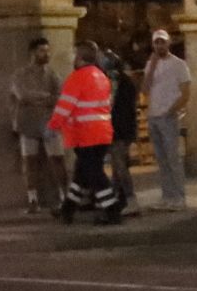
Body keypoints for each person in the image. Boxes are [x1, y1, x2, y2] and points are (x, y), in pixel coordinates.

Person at [51, 39, 121, 225]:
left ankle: (112, 209)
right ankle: (68, 208)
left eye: (74, 55)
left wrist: (52, 125)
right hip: (103, 132)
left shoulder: (77, 78)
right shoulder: (101, 76)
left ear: (80, 57)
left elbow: (65, 107)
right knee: (82, 174)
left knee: (94, 174)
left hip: (85, 135)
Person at [9, 36, 63, 211]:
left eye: (47, 51)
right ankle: (32, 199)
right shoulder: (20, 74)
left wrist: (37, 98)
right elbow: (22, 95)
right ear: (32, 53)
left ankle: (64, 196)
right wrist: (45, 97)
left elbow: (59, 97)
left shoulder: (53, 74)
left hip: (50, 122)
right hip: (28, 122)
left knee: (57, 160)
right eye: (42, 51)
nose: (46, 54)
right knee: (29, 162)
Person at [143, 28, 192, 211]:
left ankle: (179, 197)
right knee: (162, 159)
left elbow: (186, 91)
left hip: (167, 116)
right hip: (154, 116)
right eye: (156, 42)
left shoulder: (179, 65)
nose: (159, 45)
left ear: (168, 43)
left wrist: (172, 110)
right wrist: (152, 66)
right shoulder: (151, 63)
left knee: (173, 158)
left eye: (162, 42)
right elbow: (145, 89)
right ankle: (167, 196)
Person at [104, 43, 140, 215]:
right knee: (117, 166)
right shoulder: (120, 84)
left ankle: (130, 198)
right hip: (116, 129)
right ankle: (117, 199)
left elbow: (124, 111)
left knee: (119, 165)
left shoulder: (124, 85)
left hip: (119, 130)